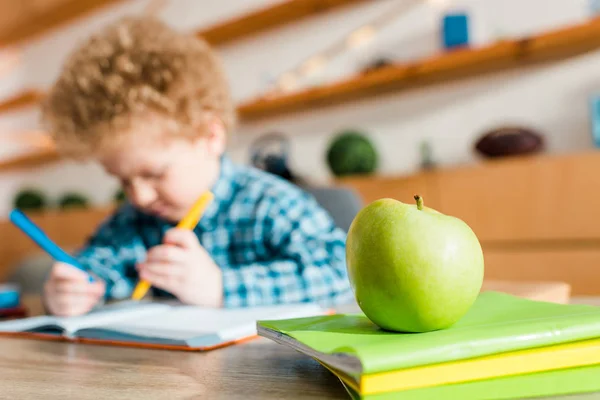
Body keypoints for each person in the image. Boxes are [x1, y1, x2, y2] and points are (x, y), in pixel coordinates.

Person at [40, 16, 353, 317]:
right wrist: (74, 288)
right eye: (123, 180)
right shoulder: (134, 221)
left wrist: (220, 287)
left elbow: (341, 271)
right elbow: (99, 264)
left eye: (154, 174)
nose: (140, 197)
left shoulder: (270, 204)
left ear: (210, 136)